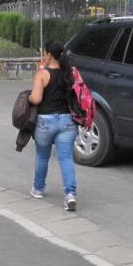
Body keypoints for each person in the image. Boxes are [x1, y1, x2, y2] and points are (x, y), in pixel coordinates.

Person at [28, 40, 78, 210]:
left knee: (42, 156)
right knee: (66, 157)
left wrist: (28, 96)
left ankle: (38, 188)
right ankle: (70, 195)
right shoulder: (70, 73)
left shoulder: (42, 75)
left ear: (49, 55)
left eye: (44, 53)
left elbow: (36, 99)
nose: (43, 56)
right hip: (67, 121)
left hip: (45, 121)